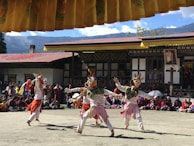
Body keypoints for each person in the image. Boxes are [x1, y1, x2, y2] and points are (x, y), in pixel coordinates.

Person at [65, 68, 121, 137]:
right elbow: (108, 92)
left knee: (84, 117)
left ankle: (79, 130)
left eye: (88, 82)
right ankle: (112, 130)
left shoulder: (89, 91)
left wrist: (71, 92)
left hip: (94, 108)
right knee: (106, 119)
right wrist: (116, 95)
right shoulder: (101, 90)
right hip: (101, 108)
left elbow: (79, 89)